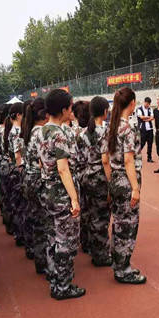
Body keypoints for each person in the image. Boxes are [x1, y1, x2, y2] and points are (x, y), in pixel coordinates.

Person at [38, 89, 85, 300]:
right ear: (64, 109)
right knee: (66, 241)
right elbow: (63, 168)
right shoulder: (59, 134)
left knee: (52, 239)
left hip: (48, 191)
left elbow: (42, 162)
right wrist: (74, 198)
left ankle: (55, 280)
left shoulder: (41, 131)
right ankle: (63, 287)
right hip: (61, 194)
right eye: (70, 106)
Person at [107, 87, 147, 284]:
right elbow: (129, 160)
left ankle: (119, 263)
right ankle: (123, 270)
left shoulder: (112, 126)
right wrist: (135, 188)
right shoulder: (127, 128)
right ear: (132, 104)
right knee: (128, 226)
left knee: (118, 223)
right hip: (125, 180)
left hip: (115, 178)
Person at [82, 96, 112, 267]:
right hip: (100, 178)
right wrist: (110, 183)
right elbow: (105, 161)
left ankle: (91, 246)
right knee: (101, 218)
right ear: (105, 112)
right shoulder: (104, 132)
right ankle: (100, 255)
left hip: (87, 176)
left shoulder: (84, 133)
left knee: (91, 214)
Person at [21, 98, 49, 275]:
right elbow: (43, 161)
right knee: (44, 223)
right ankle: (44, 261)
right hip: (39, 179)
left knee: (37, 221)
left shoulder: (29, 130)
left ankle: (40, 259)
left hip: (29, 178)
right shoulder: (41, 133)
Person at [3, 102, 28, 251]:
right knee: (19, 205)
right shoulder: (17, 131)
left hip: (13, 169)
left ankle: (19, 233)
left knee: (17, 203)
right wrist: (21, 171)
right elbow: (18, 155)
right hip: (18, 171)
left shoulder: (11, 130)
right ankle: (20, 235)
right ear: (19, 115)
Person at [71, 100, 90, 254]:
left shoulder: (71, 132)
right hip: (91, 173)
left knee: (82, 207)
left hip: (77, 174)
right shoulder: (89, 132)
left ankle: (83, 239)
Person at [0, 104, 12, 233]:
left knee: (4, 190)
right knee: (8, 193)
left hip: (1, 162)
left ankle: (6, 215)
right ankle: (9, 219)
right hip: (5, 163)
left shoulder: (1, 129)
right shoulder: (4, 131)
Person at [136, 97, 154, 163]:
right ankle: (136, 155)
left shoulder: (150, 109)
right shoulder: (139, 109)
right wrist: (148, 117)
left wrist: (147, 119)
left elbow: (152, 117)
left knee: (150, 143)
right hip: (142, 129)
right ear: (144, 102)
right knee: (142, 143)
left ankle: (149, 157)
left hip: (150, 129)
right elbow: (141, 117)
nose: (147, 105)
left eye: (148, 104)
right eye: (147, 103)